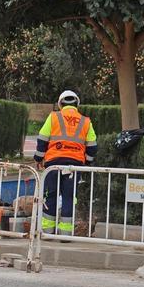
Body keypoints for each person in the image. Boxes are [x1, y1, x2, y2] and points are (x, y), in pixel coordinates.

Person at [34, 90, 97, 238]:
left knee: (50, 196)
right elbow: (93, 147)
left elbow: (42, 139)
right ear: (77, 104)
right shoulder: (85, 121)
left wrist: (38, 159)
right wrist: (87, 161)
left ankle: (48, 232)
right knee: (69, 197)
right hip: (74, 165)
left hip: (53, 164)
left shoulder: (53, 117)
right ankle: (65, 234)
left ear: (60, 104)